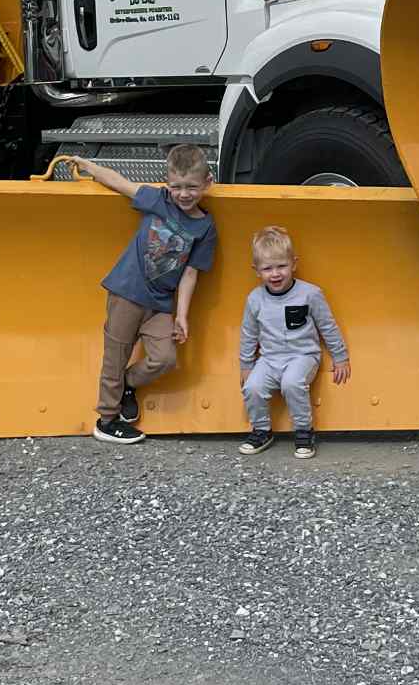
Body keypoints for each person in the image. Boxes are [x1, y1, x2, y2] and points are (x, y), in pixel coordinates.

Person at [74, 144, 216, 445]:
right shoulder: (158, 200)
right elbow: (119, 182)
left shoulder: (205, 227)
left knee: (165, 358)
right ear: (167, 184)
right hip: (127, 291)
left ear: (208, 183)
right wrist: (88, 166)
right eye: (176, 186)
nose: (184, 194)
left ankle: (128, 384)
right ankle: (107, 420)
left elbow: (191, 273)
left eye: (191, 187)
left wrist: (182, 315)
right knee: (116, 356)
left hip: (161, 304)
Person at [236, 224, 349, 459]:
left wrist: (341, 357)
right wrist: (246, 366)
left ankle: (304, 431)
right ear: (256, 270)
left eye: (282, 266)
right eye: (267, 268)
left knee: (292, 383)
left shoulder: (310, 294)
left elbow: (327, 326)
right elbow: (249, 334)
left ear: (294, 264)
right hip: (269, 359)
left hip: (303, 356)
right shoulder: (255, 299)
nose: (275, 274)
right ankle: (261, 430)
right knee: (253, 387)